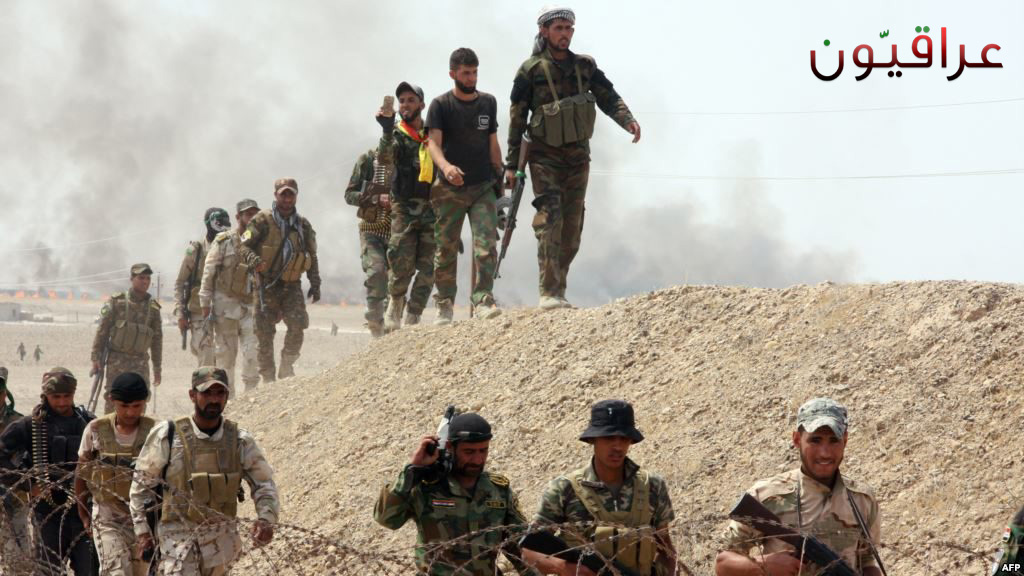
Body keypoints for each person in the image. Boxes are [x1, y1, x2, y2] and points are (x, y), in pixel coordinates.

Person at [505, 7, 641, 310]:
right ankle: (548, 291)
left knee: (572, 227)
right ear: (544, 31)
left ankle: (559, 288)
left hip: (578, 158)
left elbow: (608, 96)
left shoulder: (585, 66)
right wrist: (512, 165)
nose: (564, 34)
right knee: (550, 217)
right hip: (544, 158)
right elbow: (517, 118)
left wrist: (628, 120)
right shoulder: (531, 70)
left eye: (568, 29)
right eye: (558, 28)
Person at [129, 366, 278, 576]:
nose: (214, 399)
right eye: (207, 393)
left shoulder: (239, 441)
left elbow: (264, 484)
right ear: (192, 395)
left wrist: (266, 519)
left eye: (220, 393)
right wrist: (143, 533)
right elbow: (141, 486)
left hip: (221, 543)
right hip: (177, 541)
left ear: (227, 396)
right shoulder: (168, 436)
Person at [716, 398, 883, 576]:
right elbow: (722, 563)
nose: (825, 453)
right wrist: (762, 564)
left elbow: (867, 560)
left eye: (834, 440)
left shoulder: (861, 499)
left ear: (845, 440)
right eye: (815, 440)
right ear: (797, 439)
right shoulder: (768, 495)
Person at [522, 399, 677, 576]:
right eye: (609, 438)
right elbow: (529, 552)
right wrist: (566, 568)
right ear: (593, 440)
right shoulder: (564, 489)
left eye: (624, 439)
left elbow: (666, 549)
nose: (617, 446)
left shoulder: (652, 486)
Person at [374, 412, 533, 575]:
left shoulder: (497, 490)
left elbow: (519, 544)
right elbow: (387, 519)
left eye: (483, 451)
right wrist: (412, 470)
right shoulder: (426, 487)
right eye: (469, 452)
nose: (478, 460)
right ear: (450, 447)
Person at [425, 49, 503, 323]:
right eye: (466, 73)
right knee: (446, 249)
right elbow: (433, 144)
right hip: (450, 189)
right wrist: (446, 168)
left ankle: (483, 299)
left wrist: (501, 176)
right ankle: (444, 302)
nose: (471, 78)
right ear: (453, 74)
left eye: (475, 72)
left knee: (486, 246)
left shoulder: (488, 103)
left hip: (482, 186)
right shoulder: (440, 105)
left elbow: (493, 142)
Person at [0, 368, 98, 575]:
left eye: (67, 396)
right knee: (47, 570)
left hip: (82, 510)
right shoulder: (30, 425)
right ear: (45, 395)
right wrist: (28, 484)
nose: (62, 402)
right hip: (47, 512)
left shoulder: (88, 423)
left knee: (89, 568)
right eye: (56, 397)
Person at [239, 179, 321, 382]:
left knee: (298, 325)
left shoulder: (302, 225)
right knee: (264, 334)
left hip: (292, 285)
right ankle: (268, 379)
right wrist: (254, 260)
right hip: (266, 285)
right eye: (283, 194)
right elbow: (243, 246)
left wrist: (315, 283)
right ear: (275, 195)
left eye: (290, 194)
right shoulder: (261, 220)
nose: (287, 199)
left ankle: (287, 366)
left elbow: (311, 255)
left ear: (296, 196)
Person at [75, 372, 153, 576]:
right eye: (124, 406)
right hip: (108, 517)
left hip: (145, 519)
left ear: (145, 401)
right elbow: (81, 474)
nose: (130, 412)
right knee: (116, 572)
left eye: (137, 406)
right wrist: (84, 514)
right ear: (112, 401)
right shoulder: (96, 429)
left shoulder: (156, 432)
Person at [376, 82, 437, 331]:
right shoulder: (397, 134)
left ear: (422, 104)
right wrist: (386, 130)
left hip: (432, 207)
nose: (405, 105)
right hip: (404, 206)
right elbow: (384, 159)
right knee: (401, 259)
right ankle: (395, 303)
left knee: (429, 265)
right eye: (402, 101)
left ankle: (414, 313)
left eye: (411, 100)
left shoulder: (434, 133)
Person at [199, 199, 262, 395]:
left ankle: (251, 397)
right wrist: (205, 303)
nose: (252, 218)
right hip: (225, 307)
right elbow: (209, 271)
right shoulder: (224, 241)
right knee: (226, 358)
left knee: (252, 354)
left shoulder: (261, 241)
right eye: (248, 214)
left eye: (255, 214)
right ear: (238, 217)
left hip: (250, 307)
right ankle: (228, 399)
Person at [90, 263, 163, 414]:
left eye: (148, 278)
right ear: (132, 279)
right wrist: (96, 357)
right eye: (141, 278)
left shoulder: (153, 308)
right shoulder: (117, 301)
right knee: (114, 399)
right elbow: (103, 330)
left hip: (140, 362)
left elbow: (157, 340)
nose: (145, 281)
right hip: (117, 360)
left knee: (140, 401)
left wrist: (157, 368)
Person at [344, 147, 393, 337]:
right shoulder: (368, 160)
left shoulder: (411, 157)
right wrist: (375, 198)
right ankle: (374, 319)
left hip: (400, 230)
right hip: (372, 229)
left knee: (397, 283)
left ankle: (389, 331)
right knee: (377, 271)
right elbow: (350, 195)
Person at [175, 209, 231, 367]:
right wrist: (180, 313)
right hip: (199, 313)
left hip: (225, 312)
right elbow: (180, 283)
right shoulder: (196, 250)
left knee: (224, 359)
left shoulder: (231, 248)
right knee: (206, 355)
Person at [0, 366, 30, 562]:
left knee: (19, 558)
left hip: (15, 495)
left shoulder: (18, 423)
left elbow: (27, 460)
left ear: (5, 394)